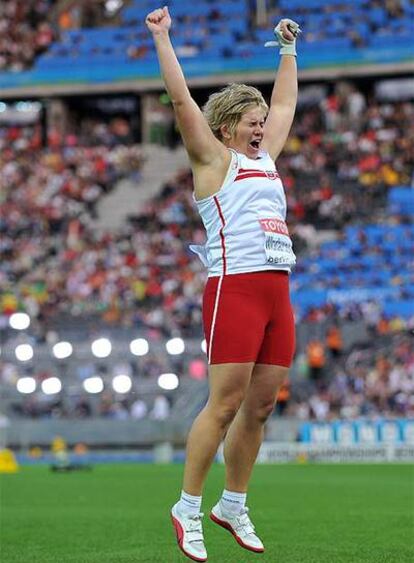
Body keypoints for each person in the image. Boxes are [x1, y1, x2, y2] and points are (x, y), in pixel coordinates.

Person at [146, 7, 300, 562]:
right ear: (229, 124)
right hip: (233, 288)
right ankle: (187, 506)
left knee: (261, 406)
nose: (263, 127)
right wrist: (163, 38)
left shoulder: (268, 159)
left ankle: (232, 503)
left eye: (263, 121)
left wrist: (287, 50)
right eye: (252, 121)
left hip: (276, 293)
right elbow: (183, 100)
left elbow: (285, 104)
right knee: (225, 403)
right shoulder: (213, 160)